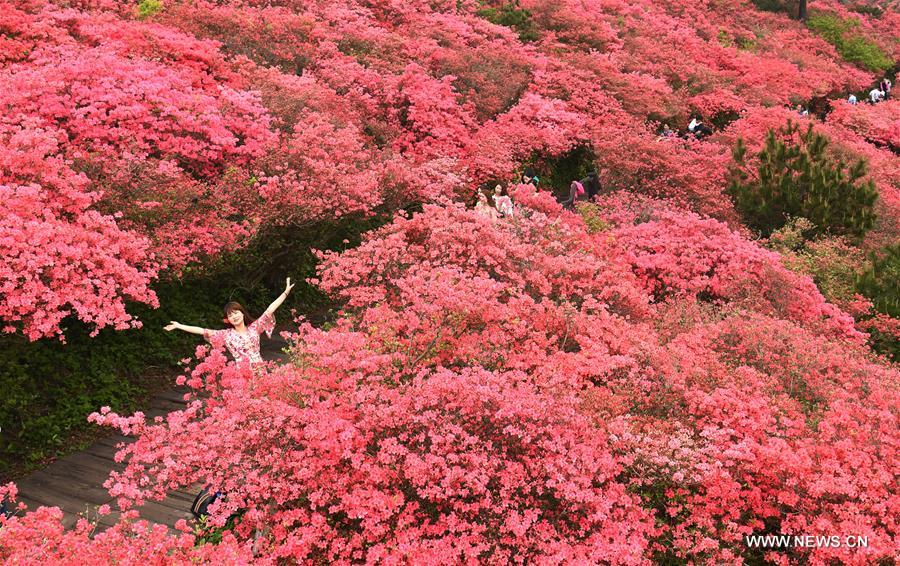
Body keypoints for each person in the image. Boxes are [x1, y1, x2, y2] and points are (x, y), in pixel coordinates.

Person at [164, 278, 294, 365]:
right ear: (228, 320)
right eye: (230, 315)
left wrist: (285, 293)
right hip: (240, 373)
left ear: (242, 313)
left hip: (259, 368)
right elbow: (202, 330)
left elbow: (269, 310)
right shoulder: (226, 334)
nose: (234, 317)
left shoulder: (255, 327)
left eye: (236, 312)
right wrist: (179, 326)